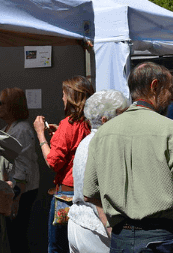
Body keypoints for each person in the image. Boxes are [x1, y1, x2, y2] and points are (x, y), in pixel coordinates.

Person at [83, 62, 173, 253]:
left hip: (122, 238)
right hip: (161, 238)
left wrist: (111, 224)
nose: (172, 97)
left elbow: (89, 193)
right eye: (169, 90)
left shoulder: (103, 134)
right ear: (154, 86)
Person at [34, 75, 94, 253]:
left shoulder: (67, 124)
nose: (62, 98)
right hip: (87, 193)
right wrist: (59, 133)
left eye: (63, 94)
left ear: (70, 97)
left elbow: (53, 162)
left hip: (66, 196)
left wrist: (40, 135)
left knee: (57, 246)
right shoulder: (90, 123)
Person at [67, 90, 129, 253]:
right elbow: (98, 196)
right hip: (96, 228)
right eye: (121, 116)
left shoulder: (86, 142)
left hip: (78, 223)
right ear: (105, 120)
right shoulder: (104, 145)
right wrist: (111, 229)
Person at [0, 87, 40, 251]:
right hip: (14, 189)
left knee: (17, 235)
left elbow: (23, 166)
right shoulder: (9, 128)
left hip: (21, 191)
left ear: (11, 106)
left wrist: (17, 198)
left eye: (0, 103)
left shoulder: (21, 130)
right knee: (13, 235)